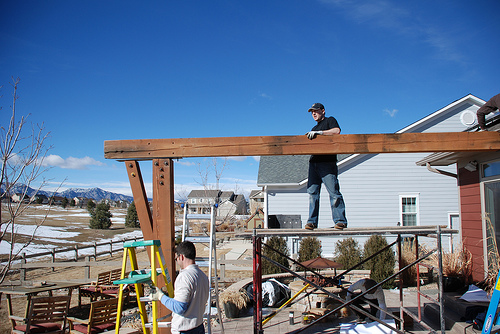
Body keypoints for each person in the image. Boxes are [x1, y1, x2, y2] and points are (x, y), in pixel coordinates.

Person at [150, 241, 209, 334]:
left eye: (176, 259)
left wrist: (160, 296)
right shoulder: (203, 276)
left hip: (184, 329)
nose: (176, 261)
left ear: (181, 257)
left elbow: (180, 307)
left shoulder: (184, 277)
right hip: (199, 326)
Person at [305, 102, 347, 230]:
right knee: (313, 193)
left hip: (327, 162)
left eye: (316, 111)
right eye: (312, 112)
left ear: (323, 111)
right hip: (314, 163)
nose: (313, 113)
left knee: (334, 192)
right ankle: (312, 222)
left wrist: (321, 133)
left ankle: (340, 220)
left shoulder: (330, 120)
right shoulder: (313, 128)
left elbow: (336, 131)